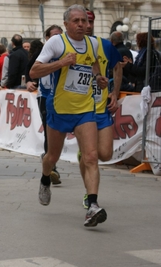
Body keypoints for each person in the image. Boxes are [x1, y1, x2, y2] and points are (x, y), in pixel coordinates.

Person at [30, 4, 108, 227]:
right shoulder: (57, 42)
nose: (82, 25)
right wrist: (61, 63)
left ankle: (92, 206)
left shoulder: (93, 43)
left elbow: (93, 67)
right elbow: (34, 71)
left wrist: (100, 79)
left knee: (90, 157)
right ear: (66, 24)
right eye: (77, 21)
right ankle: (45, 179)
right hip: (59, 109)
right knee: (52, 157)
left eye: (84, 21)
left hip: (85, 110)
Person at [79, 9, 123, 209]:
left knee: (105, 154)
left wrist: (115, 93)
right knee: (91, 156)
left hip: (101, 108)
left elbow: (117, 67)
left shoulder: (104, 45)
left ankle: (83, 157)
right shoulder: (70, 46)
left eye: (90, 22)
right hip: (80, 110)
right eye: (84, 21)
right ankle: (90, 197)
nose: (87, 25)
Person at [25, 25, 63, 185]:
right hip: (45, 95)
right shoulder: (43, 53)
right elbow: (29, 70)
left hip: (64, 96)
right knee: (49, 129)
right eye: (54, 36)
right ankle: (52, 166)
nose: (57, 39)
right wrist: (28, 82)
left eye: (60, 36)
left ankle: (48, 157)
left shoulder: (67, 52)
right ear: (47, 38)